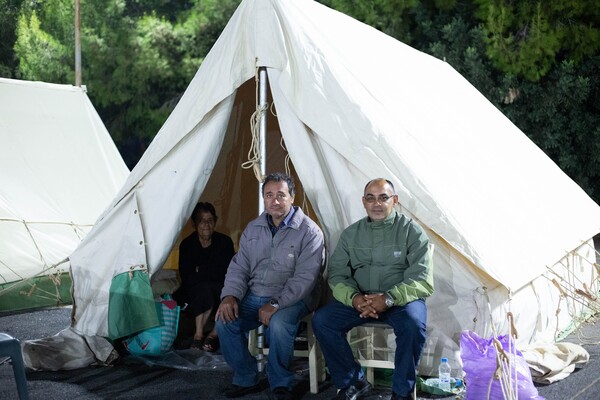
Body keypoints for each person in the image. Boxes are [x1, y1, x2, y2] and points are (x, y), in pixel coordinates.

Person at [312, 178, 434, 400]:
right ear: (364, 202)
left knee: (414, 325)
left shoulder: (412, 232)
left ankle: (401, 391)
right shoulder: (351, 234)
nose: (377, 203)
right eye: (371, 198)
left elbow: (422, 280)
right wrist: (355, 299)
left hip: (400, 301)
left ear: (394, 201)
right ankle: (353, 381)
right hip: (361, 299)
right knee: (323, 320)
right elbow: (338, 274)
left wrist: (388, 298)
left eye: (383, 198)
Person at [215, 172, 325, 400]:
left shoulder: (310, 231)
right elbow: (239, 267)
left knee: (279, 324)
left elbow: (305, 278)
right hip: (256, 293)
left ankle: (281, 383)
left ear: (292, 197)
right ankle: (246, 377)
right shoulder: (253, 228)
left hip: (294, 297)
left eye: (281, 195)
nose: (275, 200)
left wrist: (275, 303)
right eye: (269, 195)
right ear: (263, 198)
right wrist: (230, 296)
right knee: (223, 320)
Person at [173, 202, 235, 352]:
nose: (206, 225)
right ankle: (199, 335)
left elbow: (230, 271)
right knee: (203, 289)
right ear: (194, 224)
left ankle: (213, 335)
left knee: (230, 294)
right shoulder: (187, 244)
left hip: (221, 286)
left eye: (210, 220)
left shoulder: (224, 242)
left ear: (215, 221)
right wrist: (208, 272)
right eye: (202, 220)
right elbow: (187, 276)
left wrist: (201, 271)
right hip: (194, 289)